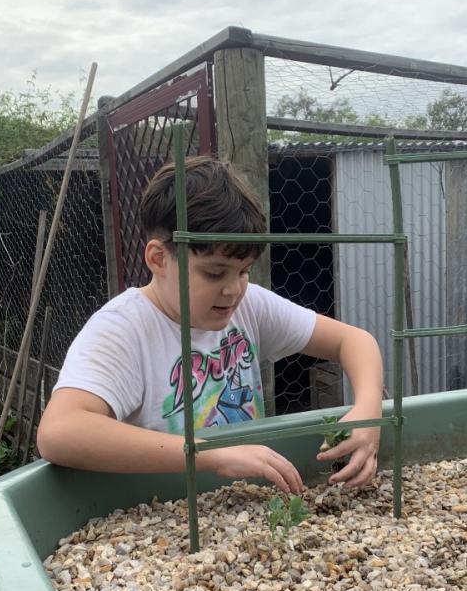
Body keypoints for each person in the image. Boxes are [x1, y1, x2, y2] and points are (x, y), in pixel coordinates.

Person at [37, 156, 384, 493]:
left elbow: (354, 341)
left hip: (247, 499)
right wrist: (210, 456)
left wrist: (368, 411)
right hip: (165, 507)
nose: (233, 290)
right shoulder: (122, 329)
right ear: (159, 259)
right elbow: (60, 431)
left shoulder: (249, 305)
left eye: (244, 271)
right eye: (214, 273)